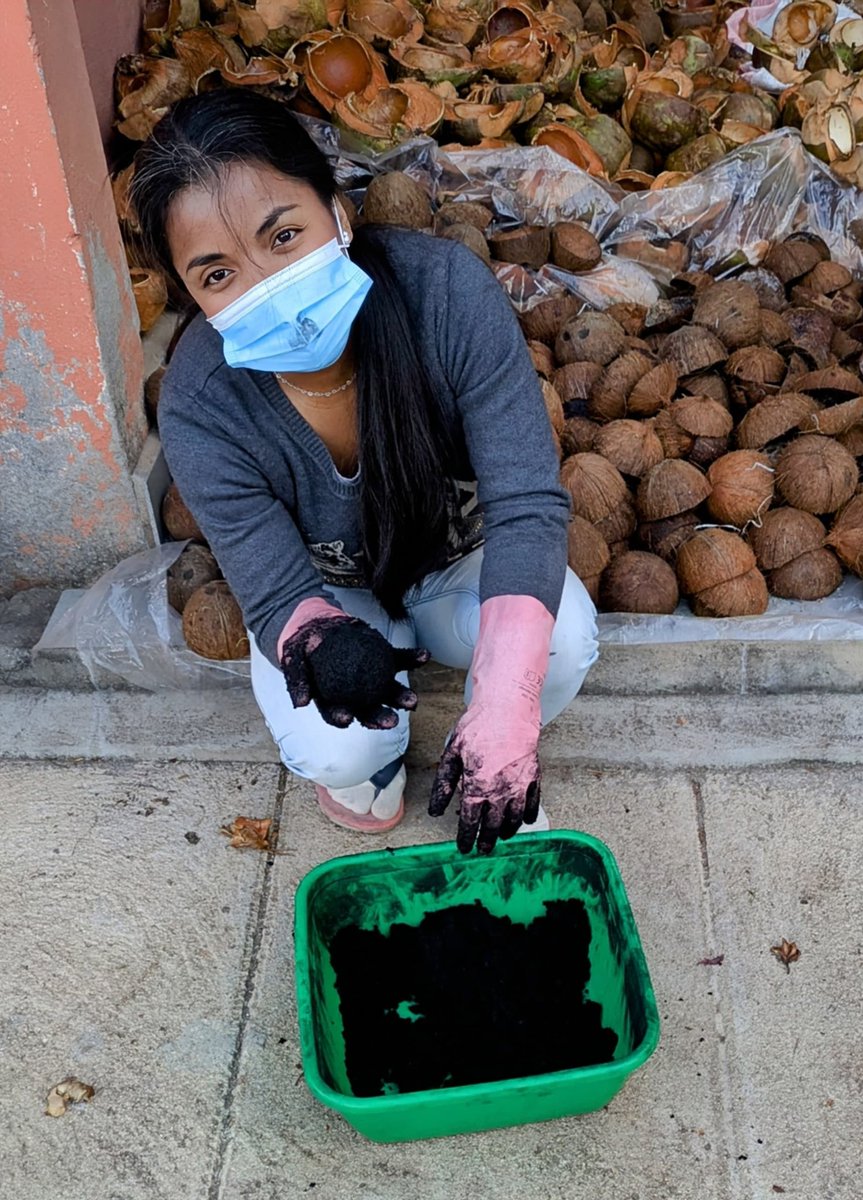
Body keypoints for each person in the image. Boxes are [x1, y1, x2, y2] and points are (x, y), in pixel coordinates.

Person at [130, 90, 598, 853]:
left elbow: (526, 505)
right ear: (189, 293)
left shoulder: (445, 296)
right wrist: (318, 637)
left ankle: (489, 728)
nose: (265, 284)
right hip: (331, 586)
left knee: (562, 642)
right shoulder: (200, 403)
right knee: (340, 746)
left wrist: (509, 702)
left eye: (283, 235)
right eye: (218, 275)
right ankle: (370, 768)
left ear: (339, 214)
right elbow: (275, 587)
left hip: (455, 560)